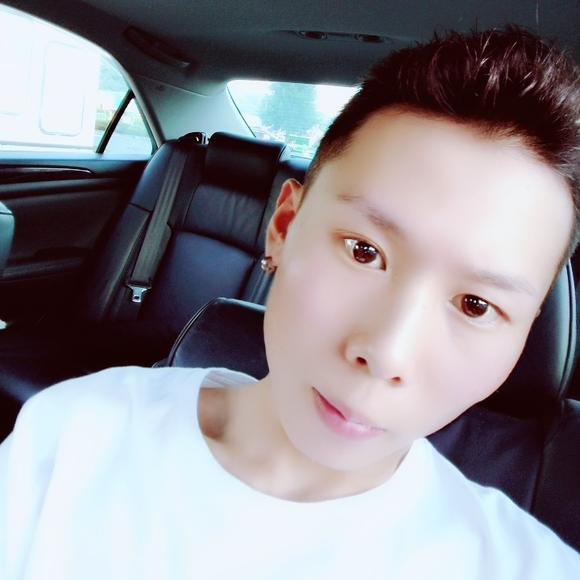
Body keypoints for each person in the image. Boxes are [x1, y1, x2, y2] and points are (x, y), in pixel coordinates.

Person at [1, 27, 580, 579]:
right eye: (363, 251)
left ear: (525, 334)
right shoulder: (75, 433)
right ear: (283, 227)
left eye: (476, 305)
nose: (385, 353)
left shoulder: (526, 567)